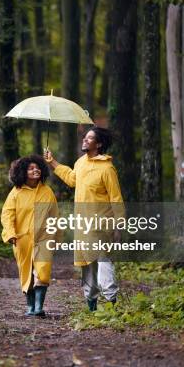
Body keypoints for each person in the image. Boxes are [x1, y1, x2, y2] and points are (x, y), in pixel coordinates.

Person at [44, 126, 124, 311]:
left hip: (102, 225)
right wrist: (53, 162)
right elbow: (72, 179)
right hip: (83, 224)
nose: (85, 140)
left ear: (99, 144)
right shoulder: (81, 162)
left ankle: (111, 303)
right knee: (86, 265)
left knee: (104, 262)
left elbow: (116, 198)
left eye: (89, 138)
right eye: (85, 138)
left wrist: (119, 226)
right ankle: (92, 306)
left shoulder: (107, 168)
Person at [1, 155, 59, 317]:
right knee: (26, 272)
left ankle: (39, 307)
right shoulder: (16, 193)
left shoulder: (47, 192)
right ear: (22, 172)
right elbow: (7, 215)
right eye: (31, 168)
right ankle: (30, 306)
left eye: (38, 167)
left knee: (42, 271)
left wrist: (56, 238)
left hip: (44, 238)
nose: (36, 170)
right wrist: (11, 233)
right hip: (22, 239)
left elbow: (55, 216)